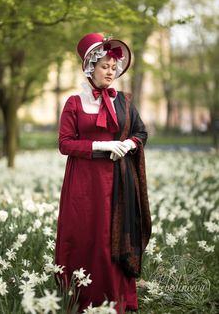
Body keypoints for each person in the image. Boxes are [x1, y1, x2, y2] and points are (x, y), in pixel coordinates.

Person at [55, 32, 152, 313]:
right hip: (83, 184)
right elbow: (64, 144)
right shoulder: (74, 102)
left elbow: (141, 132)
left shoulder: (123, 101)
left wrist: (129, 144)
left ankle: (116, 298)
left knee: (112, 237)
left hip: (118, 182)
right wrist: (101, 144)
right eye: (104, 67)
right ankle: (81, 298)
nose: (110, 72)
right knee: (87, 235)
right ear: (90, 67)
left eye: (113, 68)